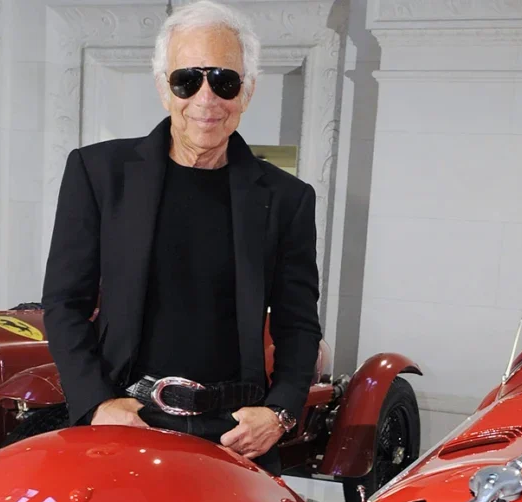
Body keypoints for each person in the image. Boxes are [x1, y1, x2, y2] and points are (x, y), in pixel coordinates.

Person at [41, 0, 322, 476]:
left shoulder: (287, 198)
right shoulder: (98, 173)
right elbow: (65, 302)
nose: (206, 99)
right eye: (187, 79)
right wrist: (96, 404)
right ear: (163, 88)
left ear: (247, 91)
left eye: (224, 80)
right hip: (127, 422)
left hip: (236, 436)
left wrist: (279, 413)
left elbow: (299, 325)